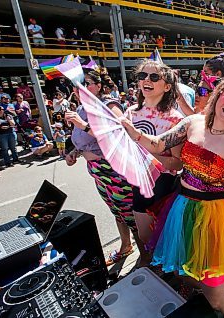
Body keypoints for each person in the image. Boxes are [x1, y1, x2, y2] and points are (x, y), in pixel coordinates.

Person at [121, 73, 224, 318]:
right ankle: (195, 291)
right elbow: (158, 144)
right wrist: (134, 133)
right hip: (182, 207)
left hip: (217, 219)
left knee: (217, 298)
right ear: (218, 95)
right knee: (181, 267)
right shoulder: (194, 122)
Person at [64, 66, 139, 267]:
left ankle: (147, 255)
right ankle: (126, 246)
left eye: (85, 84)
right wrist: (74, 152)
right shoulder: (80, 109)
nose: (79, 89)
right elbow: (83, 141)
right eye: (75, 86)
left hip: (114, 170)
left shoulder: (110, 105)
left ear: (98, 86)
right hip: (97, 171)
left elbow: (116, 137)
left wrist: (83, 125)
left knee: (130, 214)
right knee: (116, 211)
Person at [124, 60, 184, 267]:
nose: (146, 80)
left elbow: (177, 164)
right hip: (135, 179)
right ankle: (156, 263)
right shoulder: (130, 112)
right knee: (144, 234)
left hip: (161, 183)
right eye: (142, 76)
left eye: (154, 77)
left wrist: (146, 150)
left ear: (167, 86)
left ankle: (167, 268)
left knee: (157, 233)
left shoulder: (175, 119)